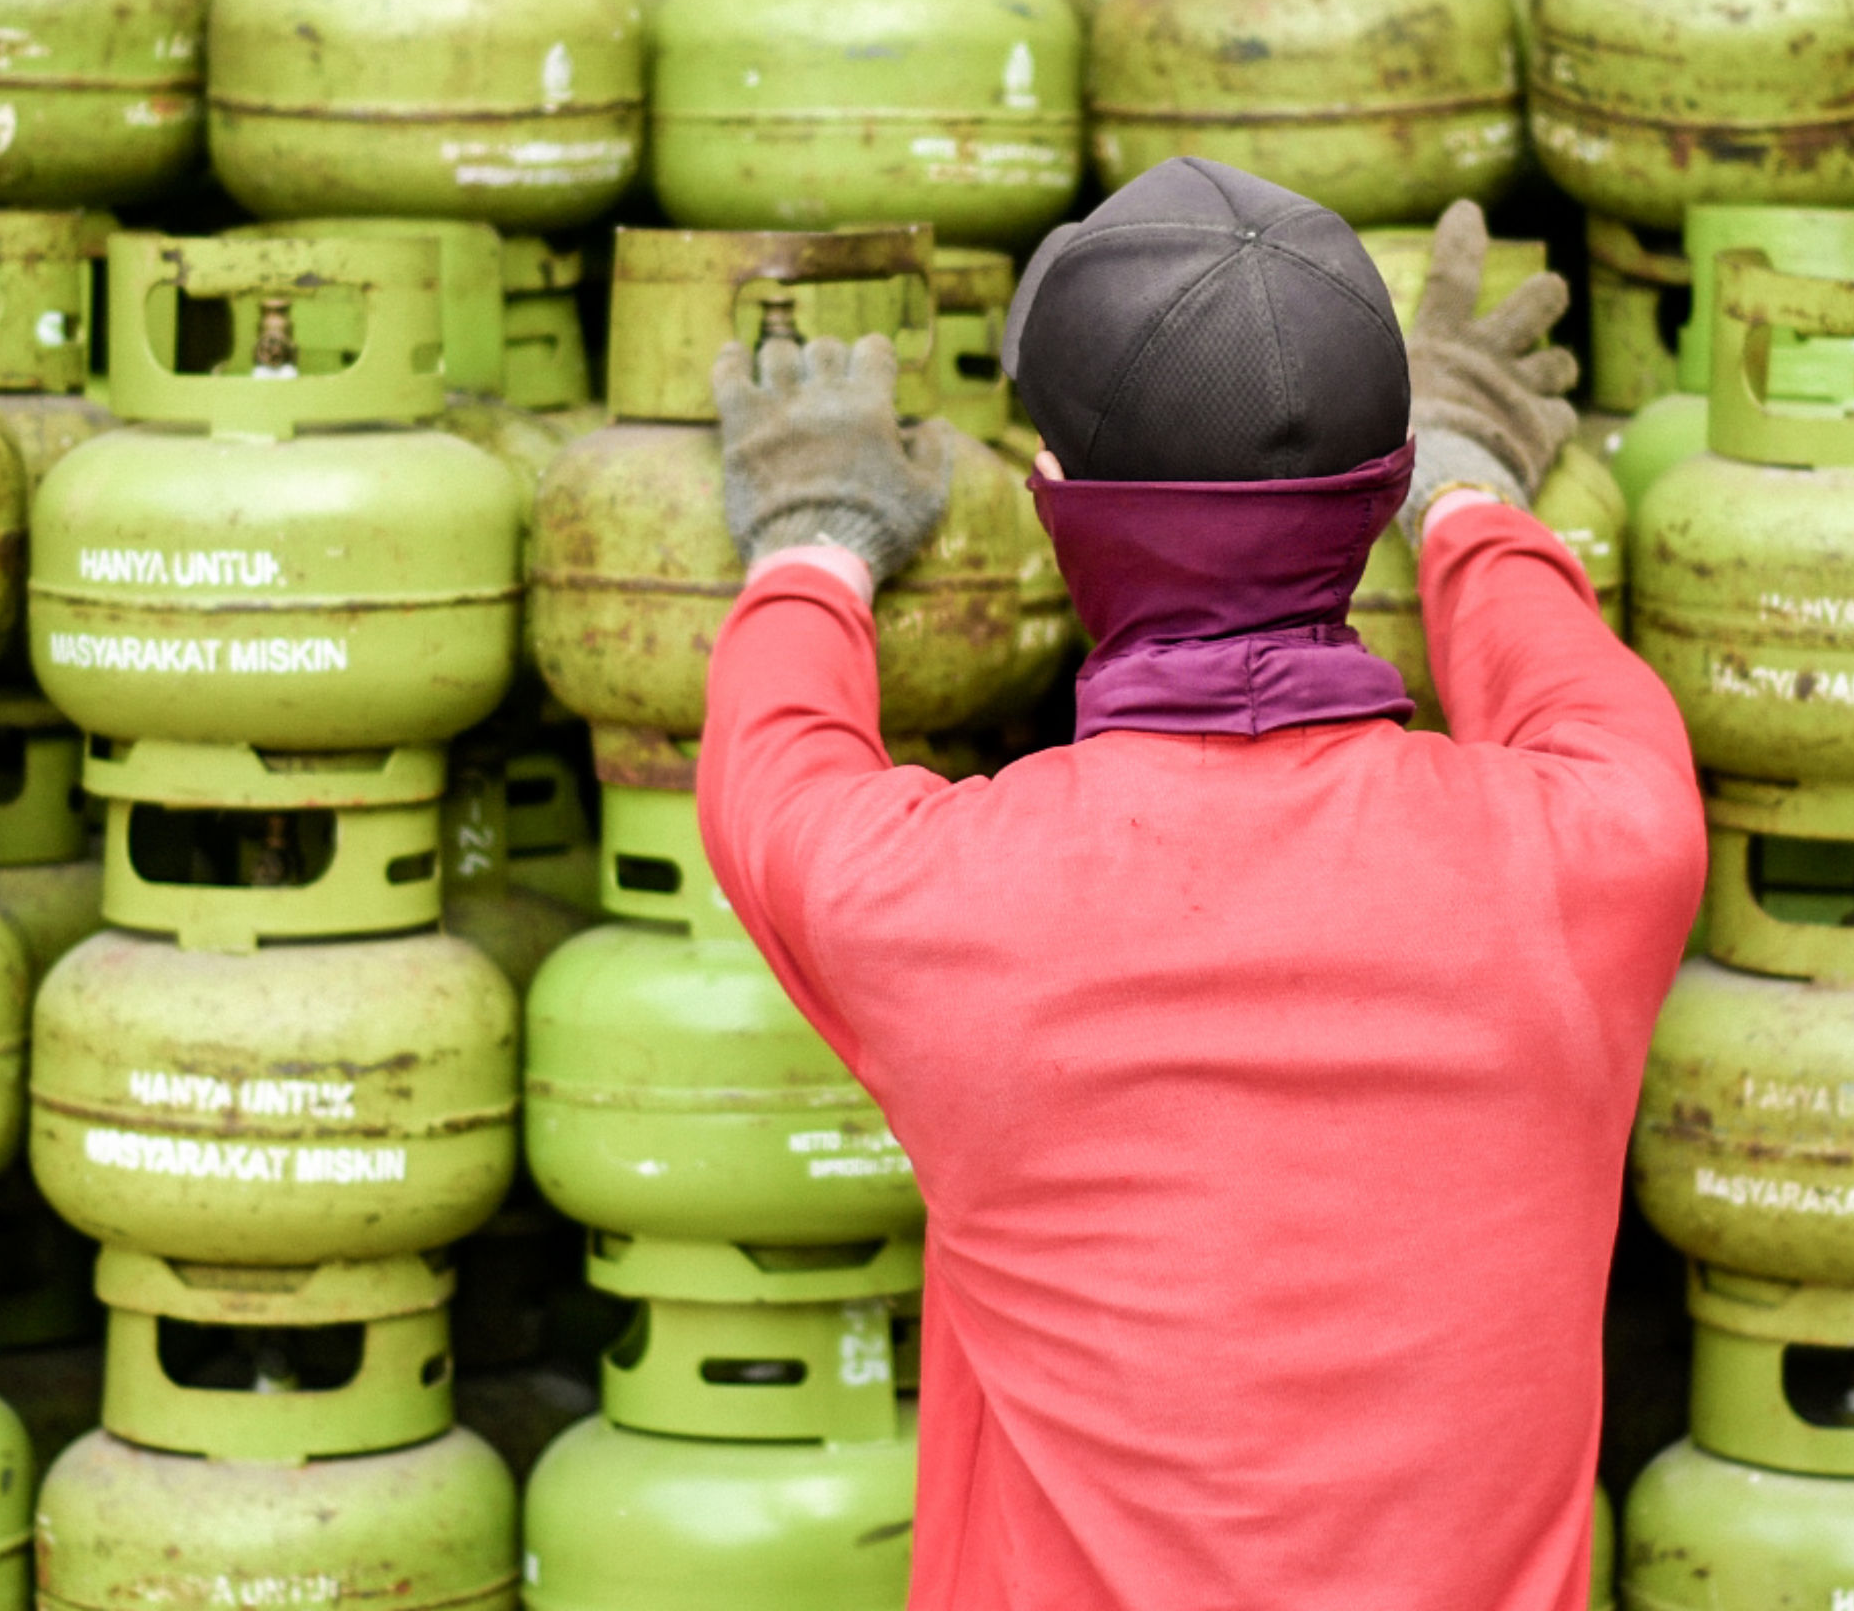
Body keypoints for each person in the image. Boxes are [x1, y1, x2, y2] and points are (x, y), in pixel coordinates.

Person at [698, 158, 1705, 1611]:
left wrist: (817, 537)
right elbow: (1569, 685)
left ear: (1060, 508)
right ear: (1375, 491)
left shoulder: (934, 904)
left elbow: (772, 768)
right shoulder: (1605, 853)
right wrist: (1468, 489)